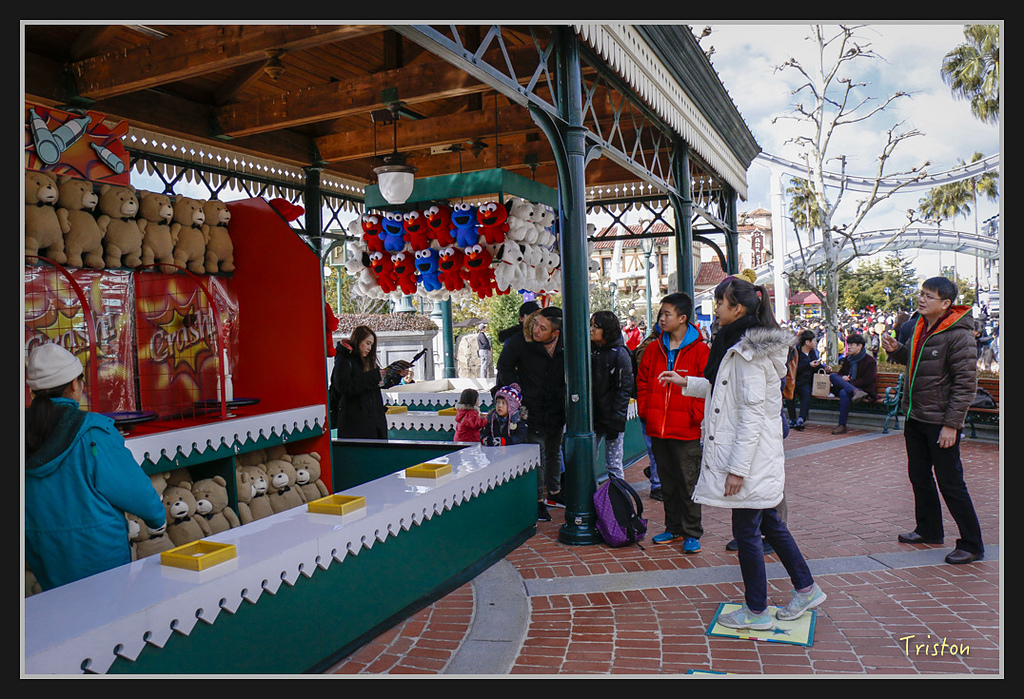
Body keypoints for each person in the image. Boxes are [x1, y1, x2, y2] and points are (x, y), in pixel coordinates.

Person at [659, 277, 826, 630]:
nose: (715, 309)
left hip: (750, 457)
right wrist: (685, 382)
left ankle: (756, 611)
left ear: (738, 309)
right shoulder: (738, 345)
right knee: (768, 524)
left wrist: (737, 470)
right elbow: (726, 393)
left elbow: (750, 416)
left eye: (720, 303)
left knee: (748, 531)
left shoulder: (747, 352)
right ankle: (805, 587)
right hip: (756, 455)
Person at [25, 343, 167, 591]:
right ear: (73, 385)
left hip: (44, 551)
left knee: (64, 615)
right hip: (98, 554)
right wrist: (157, 519)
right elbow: (132, 487)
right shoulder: (92, 431)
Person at [880, 277, 984, 565]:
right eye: (921, 294)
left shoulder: (958, 334)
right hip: (916, 415)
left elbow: (965, 384)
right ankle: (928, 529)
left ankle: (972, 544)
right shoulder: (920, 327)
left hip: (940, 421)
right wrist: (896, 351)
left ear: (946, 303)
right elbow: (919, 363)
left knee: (951, 483)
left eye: (929, 296)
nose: (922, 299)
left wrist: (952, 424)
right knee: (919, 475)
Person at [635, 292, 709, 555]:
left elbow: (706, 387)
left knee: (688, 481)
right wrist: (646, 411)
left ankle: (692, 532)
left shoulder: (700, 350)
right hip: (658, 427)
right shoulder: (654, 348)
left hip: (686, 428)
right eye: (661, 314)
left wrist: (695, 414)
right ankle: (673, 527)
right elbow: (642, 380)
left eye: (667, 314)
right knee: (667, 481)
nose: (662, 318)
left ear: (683, 318)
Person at [496, 306, 565, 522]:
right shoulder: (520, 342)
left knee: (554, 451)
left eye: (542, 328)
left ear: (555, 333)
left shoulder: (566, 344)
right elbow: (504, 367)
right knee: (536, 455)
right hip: (529, 408)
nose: (536, 329)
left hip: (556, 407)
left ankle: (555, 492)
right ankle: (537, 502)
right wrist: (516, 393)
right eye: (536, 323)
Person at [329, 325, 402, 440]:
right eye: (367, 343)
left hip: (375, 422)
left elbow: (378, 383)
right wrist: (374, 376)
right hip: (355, 424)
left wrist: (397, 375)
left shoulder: (368, 362)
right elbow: (344, 386)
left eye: (371, 345)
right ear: (358, 340)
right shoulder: (344, 360)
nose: (369, 348)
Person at [589, 311, 635, 480]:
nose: (591, 330)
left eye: (596, 326)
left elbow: (624, 389)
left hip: (611, 416)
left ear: (606, 330)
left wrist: (617, 419)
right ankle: (591, 498)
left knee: (614, 463)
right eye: (591, 325)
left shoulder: (620, 353)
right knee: (587, 460)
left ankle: (617, 499)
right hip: (593, 417)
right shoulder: (590, 350)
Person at [632, 322, 663, 500]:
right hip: (652, 405)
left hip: (662, 406)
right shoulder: (650, 347)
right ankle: (657, 482)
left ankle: (655, 474)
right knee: (655, 447)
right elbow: (645, 379)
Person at [827, 332, 878, 435]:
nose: (848, 347)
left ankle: (842, 425)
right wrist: (843, 377)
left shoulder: (870, 361)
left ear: (860, 346)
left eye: (851, 345)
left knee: (843, 392)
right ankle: (854, 391)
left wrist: (851, 383)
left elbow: (867, 380)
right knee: (833, 376)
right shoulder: (848, 359)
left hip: (864, 389)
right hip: (853, 388)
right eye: (848, 345)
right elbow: (841, 373)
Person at [787, 330, 822, 431]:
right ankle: (792, 418)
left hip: (806, 382)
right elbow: (793, 368)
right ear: (807, 342)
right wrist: (808, 365)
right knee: (790, 394)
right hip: (794, 380)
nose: (815, 343)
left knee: (806, 392)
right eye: (814, 341)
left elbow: (816, 367)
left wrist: (823, 368)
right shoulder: (795, 353)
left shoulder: (812, 353)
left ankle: (801, 418)